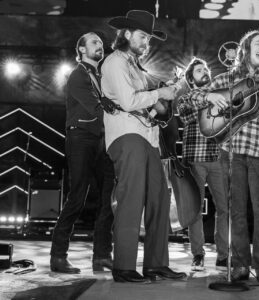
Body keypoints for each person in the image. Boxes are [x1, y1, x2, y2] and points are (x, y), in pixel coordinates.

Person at [189, 30, 259, 284]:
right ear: (246, 49)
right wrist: (209, 96)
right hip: (232, 152)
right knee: (236, 212)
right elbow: (190, 99)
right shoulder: (227, 79)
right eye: (258, 44)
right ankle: (240, 266)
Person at [101, 10, 186, 283]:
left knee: (160, 197)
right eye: (142, 36)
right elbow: (127, 101)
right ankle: (124, 266)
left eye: (148, 38)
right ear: (126, 34)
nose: (146, 43)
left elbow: (152, 107)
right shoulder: (115, 62)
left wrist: (165, 97)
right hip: (126, 136)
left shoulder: (136, 66)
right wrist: (160, 94)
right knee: (132, 197)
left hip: (148, 137)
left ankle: (156, 264)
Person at [50, 32, 115, 274]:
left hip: (102, 139)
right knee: (77, 196)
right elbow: (96, 108)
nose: (100, 45)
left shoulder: (103, 76)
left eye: (100, 42)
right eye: (94, 42)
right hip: (81, 137)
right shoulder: (78, 75)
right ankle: (58, 256)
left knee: (109, 196)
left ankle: (101, 256)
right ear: (82, 50)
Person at [176, 58, 229, 271]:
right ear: (191, 78)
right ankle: (198, 254)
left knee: (224, 208)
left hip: (218, 157)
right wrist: (211, 98)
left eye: (206, 68)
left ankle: (224, 255)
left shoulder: (221, 97)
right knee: (194, 209)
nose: (204, 71)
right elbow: (189, 114)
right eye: (199, 70)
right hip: (195, 158)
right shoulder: (185, 98)